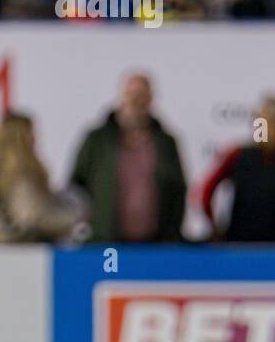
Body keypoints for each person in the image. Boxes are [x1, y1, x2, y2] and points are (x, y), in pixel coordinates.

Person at [69, 72, 188, 242]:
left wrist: (172, 231)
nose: (136, 101)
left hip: (154, 242)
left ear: (151, 98)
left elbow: (178, 189)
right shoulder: (97, 140)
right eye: (131, 95)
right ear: (121, 97)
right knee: (111, 270)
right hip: (106, 240)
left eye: (141, 95)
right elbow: (76, 186)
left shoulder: (166, 143)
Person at [199, 95, 275, 242]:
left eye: (268, 124)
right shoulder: (237, 156)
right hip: (239, 245)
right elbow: (205, 192)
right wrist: (215, 227)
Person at [0, 112, 85, 243]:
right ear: (24, 138)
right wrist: (74, 217)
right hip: (25, 251)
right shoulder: (20, 177)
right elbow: (32, 218)